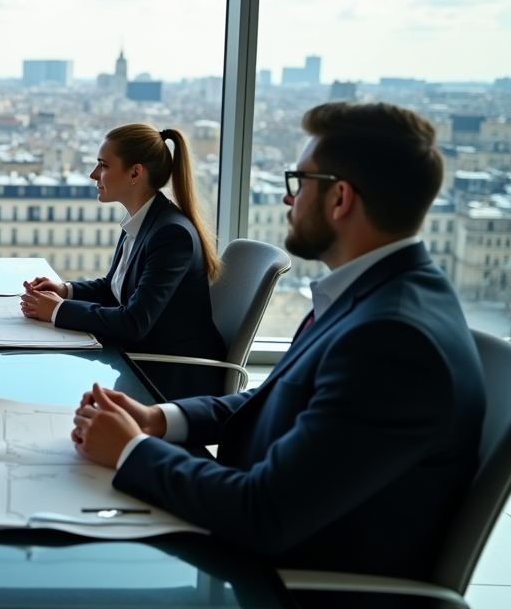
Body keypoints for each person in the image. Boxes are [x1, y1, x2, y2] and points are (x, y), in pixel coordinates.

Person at [70, 103, 485, 598]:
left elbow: (262, 513)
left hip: (288, 583)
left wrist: (130, 450)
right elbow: (275, 398)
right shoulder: (376, 295)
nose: (288, 197)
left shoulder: (392, 338)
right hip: (261, 542)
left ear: (340, 198)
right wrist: (158, 419)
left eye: (299, 181)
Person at [20, 124, 225, 399]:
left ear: (135, 173)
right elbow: (113, 288)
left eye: (103, 165)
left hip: (172, 378)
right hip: (142, 359)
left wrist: (58, 310)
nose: (94, 174)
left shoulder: (171, 234)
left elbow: (134, 322)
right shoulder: (144, 220)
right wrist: (65, 291)